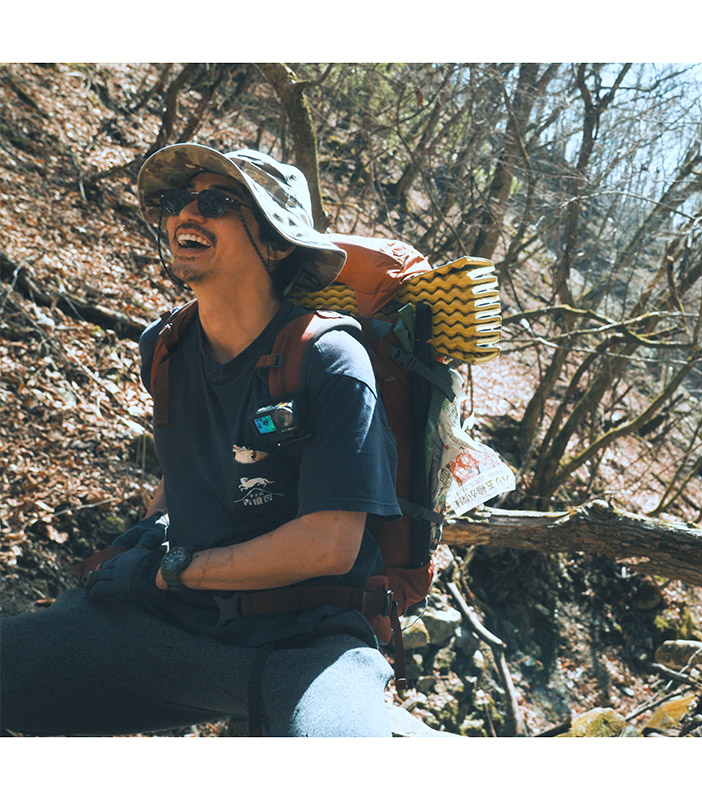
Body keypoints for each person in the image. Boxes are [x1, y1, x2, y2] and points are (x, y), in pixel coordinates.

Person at [1, 144, 403, 737]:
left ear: (278, 242)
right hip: (175, 626)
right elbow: (191, 457)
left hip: (306, 643)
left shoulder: (330, 360)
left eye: (217, 202)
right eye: (174, 202)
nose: (185, 215)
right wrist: (155, 529)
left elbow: (329, 546)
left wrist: (168, 570)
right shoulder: (165, 347)